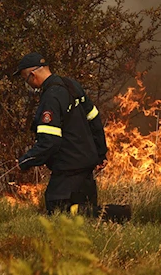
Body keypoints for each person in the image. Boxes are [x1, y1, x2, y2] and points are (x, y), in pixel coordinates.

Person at [14, 52, 108, 215]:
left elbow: (50, 141)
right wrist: (101, 153)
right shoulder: (72, 85)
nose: (27, 83)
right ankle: (111, 218)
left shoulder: (51, 97)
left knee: (58, 213)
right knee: (86, 217)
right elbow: (95, 120)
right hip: (86, 168)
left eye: (25, 79)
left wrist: (25, 161)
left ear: (33, 75)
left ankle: (117, 214)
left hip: (68, 170)